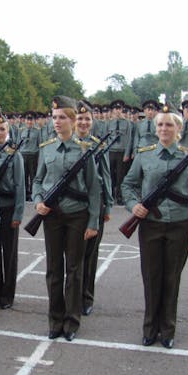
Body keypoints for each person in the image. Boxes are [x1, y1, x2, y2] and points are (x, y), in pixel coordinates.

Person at [121, 105, 188, 349]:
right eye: (160, 124)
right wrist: (133, 205)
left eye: (169, 124)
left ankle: (167, 329)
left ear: (178, 129)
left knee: (171, 278)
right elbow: (128, 184)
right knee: (151, 277)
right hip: (151, 225)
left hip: (180, 224)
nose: (164, 128)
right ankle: (150, 329)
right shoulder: (145, 155)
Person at [32, 96, 101, 341]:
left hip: (76, 216)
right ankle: (55, 319)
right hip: (51, 217)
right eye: (54, 117)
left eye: (62, 117)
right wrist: (38, 200)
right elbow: (38, 180)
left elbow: (94, 189)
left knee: (74, 270)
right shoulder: (46, 148)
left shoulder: (84, 150)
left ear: (72, 121)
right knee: (53, 270)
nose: (57, 122)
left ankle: (71, 322)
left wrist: (93, 222)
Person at [74, 100, 112, 316]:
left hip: (94, 204)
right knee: (73, 254)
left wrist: (107, 206)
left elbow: (106, 176)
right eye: (80, 118)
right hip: (73, 204)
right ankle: (72, 295)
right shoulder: (68, 143)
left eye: (87, 119)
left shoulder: (98, 145)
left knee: (90, 253)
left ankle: (86, 297)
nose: (83, 122)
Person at [0, 111, 25, 310]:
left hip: (8, 208)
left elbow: (20, 186)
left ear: (7, 131)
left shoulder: (15, 155)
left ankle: (7, 295)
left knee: (9, 254)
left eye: (2, 129)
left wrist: (18, 214)